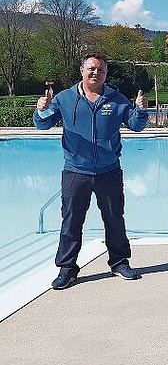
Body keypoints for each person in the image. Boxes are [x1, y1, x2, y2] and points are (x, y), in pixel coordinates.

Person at [34, 54, 148, 289]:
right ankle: (67, 268)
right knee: (71, 221)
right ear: (82, 70)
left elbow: (136, 126)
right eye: (91, 69)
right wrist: (41, 110)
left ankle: (119, 263)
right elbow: (43, 124)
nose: (96, 73)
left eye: (101, 70)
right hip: (76, 171)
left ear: (106, 74)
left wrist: (140, 110)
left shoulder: (117, 99)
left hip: (109, 171)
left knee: (115, 219)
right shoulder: (65, 99)